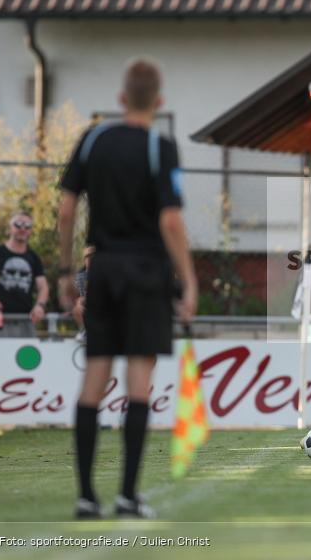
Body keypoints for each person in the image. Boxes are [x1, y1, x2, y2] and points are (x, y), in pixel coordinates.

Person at [58, 59, 197, 519]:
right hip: (146, 274)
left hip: (103, 270)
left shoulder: (93, 139)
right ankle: (126, 496)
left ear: (121, 99)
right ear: (158, 102)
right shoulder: (160, 148)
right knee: (139, 383)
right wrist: (188, 281)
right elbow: (171, 219)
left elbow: (65, 208)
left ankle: (84, 497)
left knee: (93, 382)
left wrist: (64, 270)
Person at [0, 212, 49, 337]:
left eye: (27, 226)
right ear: (10, 228)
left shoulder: (34, 257)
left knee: (27, 356)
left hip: (25, 321)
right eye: (18, 224)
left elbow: (43, 287)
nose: (23, 229)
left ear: (31, 230)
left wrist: (40, 306)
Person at [72, 246, 96, 343]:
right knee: (77, 308)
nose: (90, 259)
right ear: (84, 260)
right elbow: (79, 296)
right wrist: (78, 303)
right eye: (88, 257)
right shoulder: (79, 276)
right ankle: (85, 331)